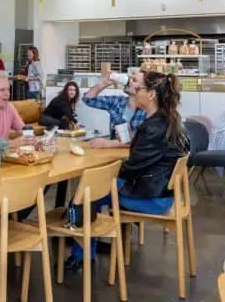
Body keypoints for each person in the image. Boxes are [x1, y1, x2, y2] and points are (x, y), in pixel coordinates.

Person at [66, 71, 191, 271]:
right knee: (93, 190)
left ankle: (81, 256)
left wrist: (105, 173)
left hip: (151, 198)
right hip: (162, 192)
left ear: (151, 95)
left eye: (139, 88)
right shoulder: (169, 120)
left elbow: (131, 169)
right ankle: (87, 243)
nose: (135, 91)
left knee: (86, 193)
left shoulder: (151, 127)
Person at [83, 70, 149, 149]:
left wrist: (108, 143)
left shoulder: (147, 110)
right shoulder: (117, 102)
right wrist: (103, 83)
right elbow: (88, 99)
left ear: (144, 89)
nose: (128, 81)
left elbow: (144, 140)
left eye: (134, 80)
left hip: (136, 157)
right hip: (113, 156)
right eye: (129, 78)